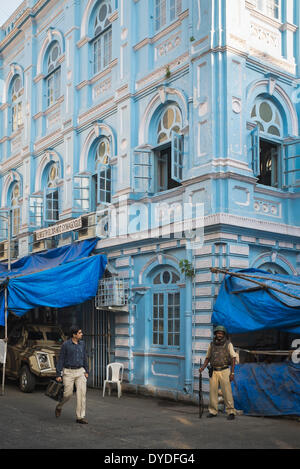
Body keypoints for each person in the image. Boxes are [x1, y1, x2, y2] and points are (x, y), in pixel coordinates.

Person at [199, 325, 236, 420]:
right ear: (215, 334)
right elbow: (208, 357)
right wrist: (202, 367)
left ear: (224, 334)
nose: (219, 335)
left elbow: (233, 358)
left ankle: (231, 411)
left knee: (227, 392)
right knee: (213, 392)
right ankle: (213, 411)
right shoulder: (211, 345)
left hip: (224, 370)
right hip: (214, 371)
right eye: (218, 333)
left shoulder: (228, 344)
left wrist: (232, 373)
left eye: (221, 333)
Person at [55, 326, 89, 424]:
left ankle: (80, 417)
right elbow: (61, 359)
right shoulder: (66, 345)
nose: (81, 334)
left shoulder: (82, 344)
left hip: (80, 372)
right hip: (68, 372)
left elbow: (84, 357)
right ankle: (59, 406)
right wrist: (58, 374)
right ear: (74, 335)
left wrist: (86, 371)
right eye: (79, 333)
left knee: (82, 394)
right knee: (68, 394)